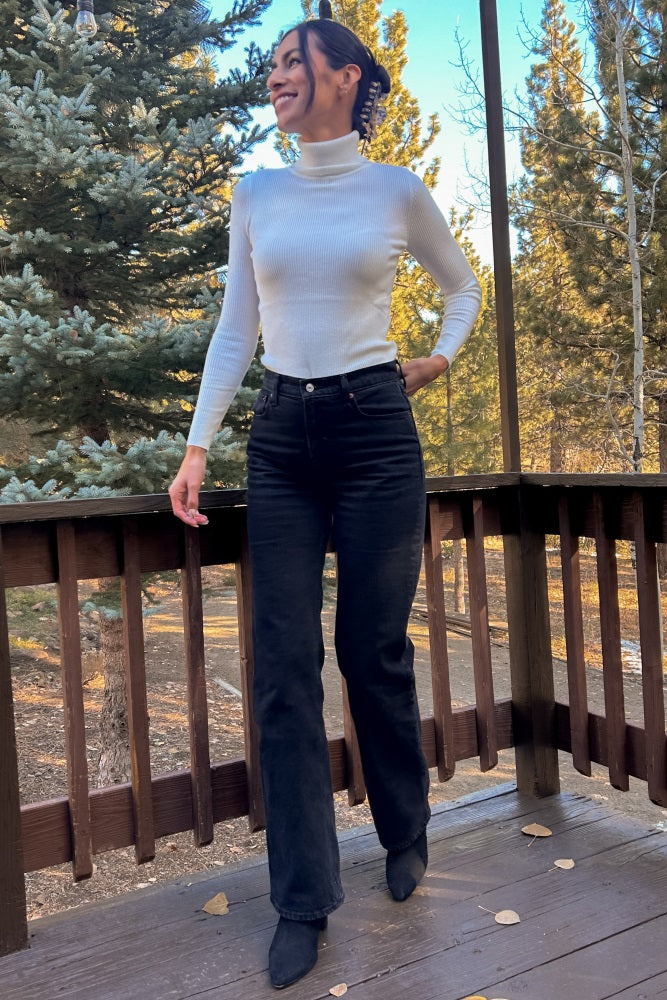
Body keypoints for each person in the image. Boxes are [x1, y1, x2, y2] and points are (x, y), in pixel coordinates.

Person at [169, 2, 481, 989]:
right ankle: (302, 902)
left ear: (345, 75)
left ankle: (404, 827)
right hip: (280, 440)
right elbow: (236, 328)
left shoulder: (396, 190)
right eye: (269, 64)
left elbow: (462, 286)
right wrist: (196, 446)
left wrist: (438, 357)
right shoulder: (256, 193)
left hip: (376, 434)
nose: (274, 75)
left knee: (370, 649)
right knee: (283, 667)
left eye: (290, 59)